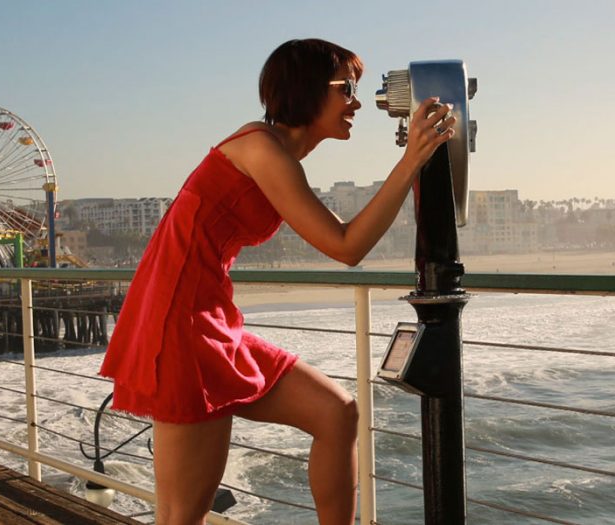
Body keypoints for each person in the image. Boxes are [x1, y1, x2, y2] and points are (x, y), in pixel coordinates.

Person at [98, 38, 457, 525]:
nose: (356, 102)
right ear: (307, 89)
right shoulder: (262, 152)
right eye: (345, 88)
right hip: (181, 327)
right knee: (181, 517)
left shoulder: (274, 156)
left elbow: (346, 239)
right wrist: (411, 159)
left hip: (209, 319)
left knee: (337, 414)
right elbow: (346, 247)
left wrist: (414, 161)